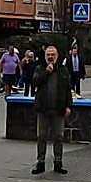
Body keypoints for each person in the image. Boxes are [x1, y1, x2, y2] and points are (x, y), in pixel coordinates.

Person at [31, 45, 72, 174]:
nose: (50, 57)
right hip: (43, 109)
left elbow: (67, 89)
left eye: (52, 55)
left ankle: (58, 163)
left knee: (58, 137)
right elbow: (35, 82)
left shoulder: (63, 70)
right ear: (45, 56)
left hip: (58, 109)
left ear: (57, 56)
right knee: (41, 136)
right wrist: (46, 72)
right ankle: (40, 162)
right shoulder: (40, 68)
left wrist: (68, 106)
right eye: (48, 55)